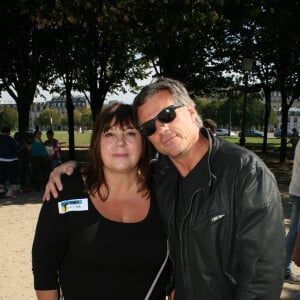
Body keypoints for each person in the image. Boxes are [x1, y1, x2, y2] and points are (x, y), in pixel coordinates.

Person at [44, 78, 285, 300]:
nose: (161, 129)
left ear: (191, 112)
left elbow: (262, 276)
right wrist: (76, 167)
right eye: (149, 127)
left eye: (167, 115)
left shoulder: (245, 173)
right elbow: (121, 165)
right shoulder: (162, 175)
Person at [33, 103, 172, 300]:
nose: (120, 142)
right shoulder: (66, 189)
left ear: (144, 141)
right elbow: (44, 264)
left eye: (130, 133)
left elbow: (179, 267)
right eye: (109, 134)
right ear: (97, 142)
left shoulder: (165, 190)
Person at [285, 140, 300, 284]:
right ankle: (285, 269)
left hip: (297, 191)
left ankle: (284, 269)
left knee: (294, 232)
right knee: (295, 233)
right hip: (299, 192)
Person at [0, 126, 20, 199]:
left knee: (2, 176)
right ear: (8, 132)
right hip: (11, 160)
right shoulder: (10, 139)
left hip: (1, 159)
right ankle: (14, 194)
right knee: (12, 177)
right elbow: (15, 147)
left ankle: (1, 193)